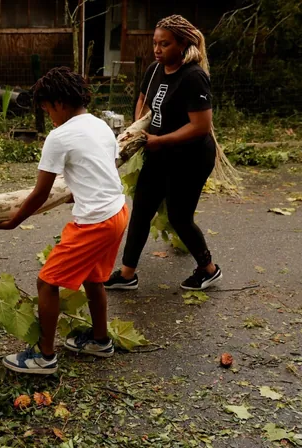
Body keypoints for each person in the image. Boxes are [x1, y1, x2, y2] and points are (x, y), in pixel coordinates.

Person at [0, 67, 128, 375]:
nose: (49, 117)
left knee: (46, 281)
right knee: (95, 279)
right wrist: (77, 191)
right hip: (118, 212)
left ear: (60, 103)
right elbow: (105, 166)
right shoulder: (101, 125)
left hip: (94, 221)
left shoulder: (59, 136)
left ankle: (44, 355)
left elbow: (40, 193)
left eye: (48, 110)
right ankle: (99, 340)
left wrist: (14, 220)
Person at [105, 15, 223, 292]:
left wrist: (161, 139)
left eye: (165, 44)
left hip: (190, 158)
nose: (157, 49)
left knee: (180, 217)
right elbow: (143, 100)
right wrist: (138, 127)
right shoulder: (155, 69)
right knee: (141, 212)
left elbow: (201, 126)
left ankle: (208, 269)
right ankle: (126, 274)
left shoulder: (193, 77)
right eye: (155, 43)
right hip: (158, 153)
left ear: (182, 44)